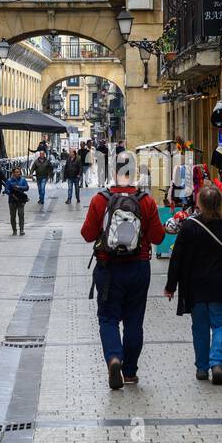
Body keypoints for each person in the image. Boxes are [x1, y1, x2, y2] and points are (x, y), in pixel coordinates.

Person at [80, 151, 166, 390]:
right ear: (134, 171)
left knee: (108, 318)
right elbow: (158, 236)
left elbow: (87, 234)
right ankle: (129, 373)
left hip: (108, 268)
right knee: (134, 321)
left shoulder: (100, 199)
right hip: (138, 267)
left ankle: (114, 358)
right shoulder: (145, 200)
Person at [163, 185, 222, 385]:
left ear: (199, 203)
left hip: (195, 287)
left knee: (199, 327)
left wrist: (171, 286)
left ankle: (202, 368)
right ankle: (216, 362)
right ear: (220, 203)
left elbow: (177, 259)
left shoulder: (189, 227)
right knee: (220, 325)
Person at [4, 167, 29, 235]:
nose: (19, 173)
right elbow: (6, 190)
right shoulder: (9, 181)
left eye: (19, 172)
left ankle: (21, 230)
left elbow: (27, 187)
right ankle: (14, 230)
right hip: (12, 200)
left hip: (21, 200)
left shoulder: (23, 179)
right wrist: (11, 194)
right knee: (13, 216)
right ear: (13, 173)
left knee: (21, 215)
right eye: (17, 172)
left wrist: (19, 187)